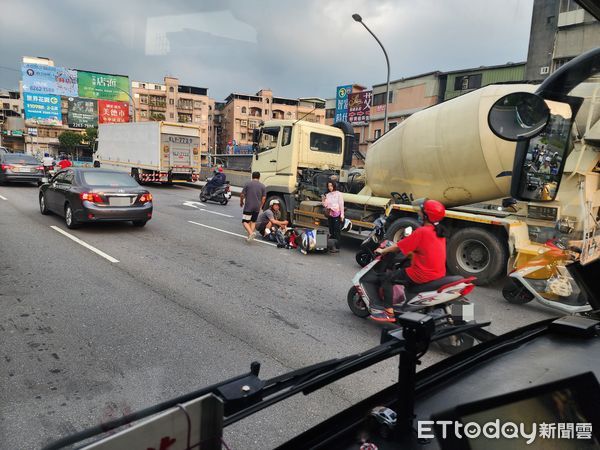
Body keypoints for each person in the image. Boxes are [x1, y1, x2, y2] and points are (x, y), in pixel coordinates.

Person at [370, 199, 447, 323]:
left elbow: (398, 246)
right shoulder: (439, 232)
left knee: (387, 278)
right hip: (438, 274)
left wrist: (382, 251)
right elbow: (426, 251)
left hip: (422, 274)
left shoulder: (422, 231)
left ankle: (388, 312)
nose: (420, 214)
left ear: (426, 215)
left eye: (422, 212)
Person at [240, 171, 266, 242]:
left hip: (249, 206)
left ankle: (251, 233)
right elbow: (263, 198)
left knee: (245, 221)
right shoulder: (263, 186)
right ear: (259, 177)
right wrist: (261, 206)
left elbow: (242, 195)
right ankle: (249, 237)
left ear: (252, 176)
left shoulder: (248, 184)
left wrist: (241, 202)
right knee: (253, 221)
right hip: (257, 207)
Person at [322, 180, 344, 253]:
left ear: (334, 186)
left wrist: (342, 215)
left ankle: (337, 247)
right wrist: (323, 199)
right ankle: (332, 246)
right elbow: (325, 205)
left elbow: (341, 205)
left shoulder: (339, 194)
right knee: (331, 230)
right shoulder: (328, 195)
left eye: (331, 186)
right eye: (328, 186)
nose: (330, 187)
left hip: (337, 214)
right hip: (330, 214)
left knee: (336, 231)